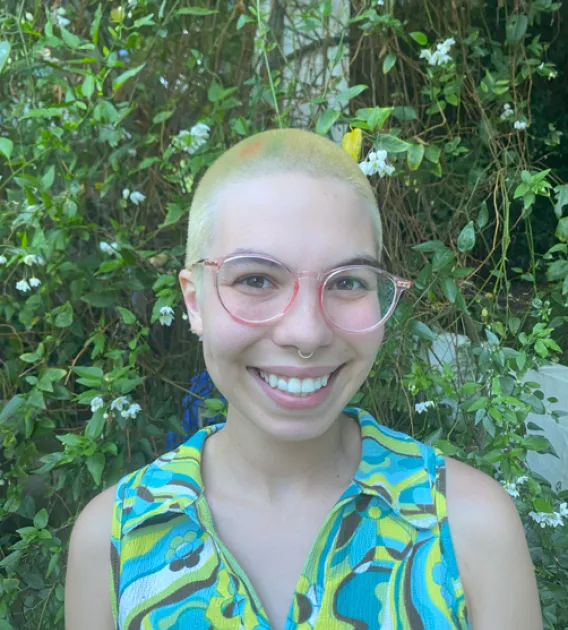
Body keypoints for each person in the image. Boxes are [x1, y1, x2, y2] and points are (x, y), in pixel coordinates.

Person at [65, 129, 543, 630]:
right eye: (255, 279)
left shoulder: (467, 528)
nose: (307, 333)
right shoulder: (116, 539)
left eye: (348, 282)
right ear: (193, 300)